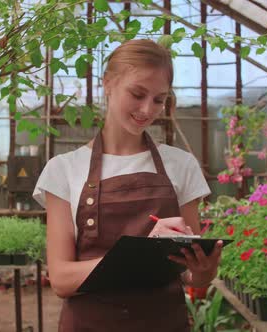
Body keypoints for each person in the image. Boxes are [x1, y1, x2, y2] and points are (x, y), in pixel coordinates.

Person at [33, 39, 222, 331]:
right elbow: (61, 279)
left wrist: (203, 273)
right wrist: (143, 253)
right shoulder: (63, 170)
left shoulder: (181, 166)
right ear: (108, 83)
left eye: (159, 99)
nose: (147, 109)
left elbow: (188, 273)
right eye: (137, 94)